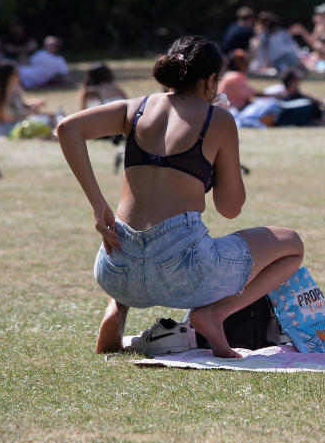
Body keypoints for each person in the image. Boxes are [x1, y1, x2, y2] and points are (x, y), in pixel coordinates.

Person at [56, 35, 304, 357]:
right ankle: (214, 315)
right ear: (212, 81)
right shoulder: (219, 119)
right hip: (185, 273)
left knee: (131, 237)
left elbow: (66, 128)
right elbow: (230, 208)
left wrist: (98, 205)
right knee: (291, 246)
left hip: (116, 271)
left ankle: (117, 309)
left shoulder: (136, 108)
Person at [291, 2, 325, 72]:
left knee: (318, 46)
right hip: (320, 56)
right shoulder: (319, 26)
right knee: (303, 58)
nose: (320, 15)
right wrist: (302, 31)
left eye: (323, 13)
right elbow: (312, 43)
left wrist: (319, 44)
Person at [0, 61, 45, 135]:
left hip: (16, 123)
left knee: (46, 119)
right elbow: (7, 119)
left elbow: (20, 105)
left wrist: (33, 104)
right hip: (4, 128)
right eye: (16, 73)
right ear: (9, 76)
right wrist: (29, 113)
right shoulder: (1, 93)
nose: (19, 76)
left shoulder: (14, 88)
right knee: (44, 122)